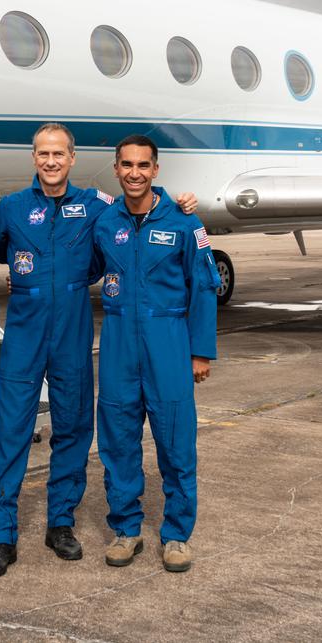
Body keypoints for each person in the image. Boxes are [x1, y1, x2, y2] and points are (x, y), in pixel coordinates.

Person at [0, 123, 200, 578]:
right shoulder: (11, 209)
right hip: (24, 334)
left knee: (74, 431)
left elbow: (137, 217)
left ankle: (61, 522)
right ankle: (1, 535)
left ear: (73, 158)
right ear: (33, 157)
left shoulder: (96, 208)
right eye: (44, 153)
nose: (52, 161)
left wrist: (180, 202)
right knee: (11, 432)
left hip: (74, 333)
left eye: (60, 153)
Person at [91, 134, 219, 574]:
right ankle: (127, 529)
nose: (134, 173)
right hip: (119, 343)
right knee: (118, 442)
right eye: (126, 164)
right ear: (116, 168)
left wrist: (200, 352)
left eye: (143, 165)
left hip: (168, 341)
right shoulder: (106, 222)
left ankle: (177, 535)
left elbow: (204, 287)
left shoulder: (186, 223)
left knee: (176, 444)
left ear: (156, 170)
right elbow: (80, 265)